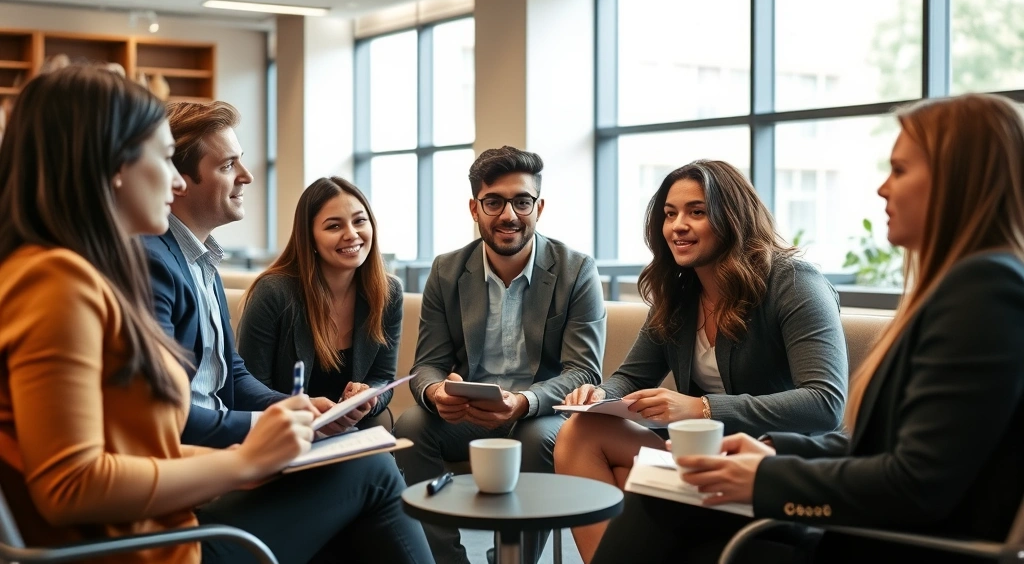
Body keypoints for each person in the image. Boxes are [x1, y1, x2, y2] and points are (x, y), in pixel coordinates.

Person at [593, 93, 1024, 564]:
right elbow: (888, 447)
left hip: (893, 541)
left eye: (899, 170)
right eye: (670, 214)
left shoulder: (985, 292)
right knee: (670, 496)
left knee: (669, 504)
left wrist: (764, 478)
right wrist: (776, 452)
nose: (883, 188)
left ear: (957, 180)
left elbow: (918, 484)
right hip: (860, 516)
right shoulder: (968, 287)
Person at [0, 65, 321, 563]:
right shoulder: (55, 281)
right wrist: (242, 462)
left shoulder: (70, 272)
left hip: (155, 530)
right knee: (368, 480)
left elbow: (135, 448)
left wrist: (253, 457)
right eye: (166, 159)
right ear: (115, 165)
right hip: (144, 549)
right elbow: (71, 485)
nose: (175, 182)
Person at [143, 99, 434, 563]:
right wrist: (280, 425)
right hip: (195, 494)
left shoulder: (202, 264)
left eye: (359, 222)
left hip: (228, 463)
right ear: (179, 181)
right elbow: (166, 419)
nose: (247, 177)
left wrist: (298, 411)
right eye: (227, 165)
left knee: (364, 458)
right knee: (374, 469)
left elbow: (232, 378)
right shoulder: (155, 263)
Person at [554, 159, 848, 563]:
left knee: (631, 483)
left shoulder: (794, 282)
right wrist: (597, 394)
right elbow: (630, 376)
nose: (678, 226)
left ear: (732, 217)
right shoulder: (680, 293)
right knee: (581, 431)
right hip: (698, 453)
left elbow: (825, 403)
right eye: (670, 214)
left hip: (768, 463)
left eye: (697, 212)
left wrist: (700, 407)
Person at [393, 145, 607, 564]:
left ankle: (510, 561)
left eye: (522, 201)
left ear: (539, 207)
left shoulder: (576, 269)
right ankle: (446, 560)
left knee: (536, 436)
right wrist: (436, 391)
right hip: (468, 415)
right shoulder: (447, 270)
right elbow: (427, 364)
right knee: (412, 425)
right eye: (494, 202)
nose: (509, 215)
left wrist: (522, 403)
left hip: (538, 414)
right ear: (475, 208)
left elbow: (583, 370)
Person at [237, 176, 402, 430]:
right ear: (310, 238)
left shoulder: (388, 292)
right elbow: (248, 386)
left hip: (353, 429)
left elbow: (383, 376)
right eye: (334, 226)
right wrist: (304, 409)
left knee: (384, 464)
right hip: (286, 430)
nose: (352, 234)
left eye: (359, 221)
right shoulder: (273, 292)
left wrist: (368, 397)